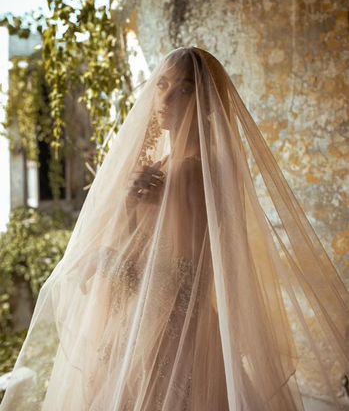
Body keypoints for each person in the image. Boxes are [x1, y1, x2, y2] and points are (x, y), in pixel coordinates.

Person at [0, 46, 348, 411]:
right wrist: (130, 204)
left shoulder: (192, 172)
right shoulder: (166, 166)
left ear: (208, 102)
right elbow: (149, 244)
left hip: (169, 339)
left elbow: (185, 282)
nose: (164, 98)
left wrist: (107, 262)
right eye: (162, 84)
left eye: (182, 88)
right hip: (144, 327)